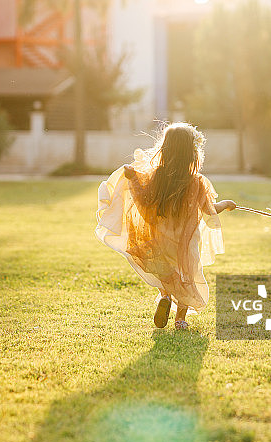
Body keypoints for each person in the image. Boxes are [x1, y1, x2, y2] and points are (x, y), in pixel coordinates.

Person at [95, 122, 236, 330]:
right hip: (185, 242)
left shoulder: (156, 176)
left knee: (165, 271)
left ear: (165, 148)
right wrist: (225, 204)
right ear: (192, 153)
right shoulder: (196, 181)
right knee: (186, 275)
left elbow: (143, 199)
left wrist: (132, 178)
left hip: (160, 237)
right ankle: (180, 319)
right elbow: (209, 209)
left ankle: (165, 296)